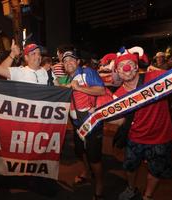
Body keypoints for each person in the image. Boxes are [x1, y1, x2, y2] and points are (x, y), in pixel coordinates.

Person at [113, 50, 172, 200]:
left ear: (136, 67)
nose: (126, 68)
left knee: (155, 171)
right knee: (130, 167)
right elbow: (120, 121)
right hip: (135, 138)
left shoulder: (154, 77)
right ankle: (131, 188)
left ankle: (148, 196)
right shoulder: (118, 96)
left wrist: (164, 71)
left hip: (161, 137)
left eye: (129, 64)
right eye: (121, 66)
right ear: (117, 72)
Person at [62, 50, 109, 200]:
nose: (68, 62)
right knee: (80, 151)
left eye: (71, 60)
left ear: (77, 62)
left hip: (91, 124)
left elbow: (101, 90)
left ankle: (99, 187)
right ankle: (86, 172)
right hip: (77, 125)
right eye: (65, 61)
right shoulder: (67, 78)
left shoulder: (87, 72)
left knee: (94, 158)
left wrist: (79, 88)